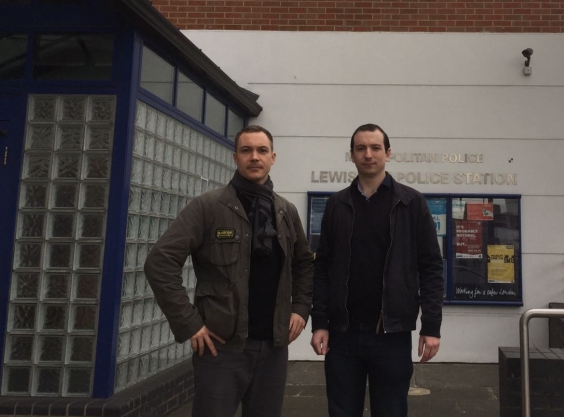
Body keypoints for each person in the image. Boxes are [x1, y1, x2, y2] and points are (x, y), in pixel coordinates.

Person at [145, 126, 313, 417]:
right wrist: (189, 324)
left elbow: (304, 263)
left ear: (273, 157)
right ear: (235, 157)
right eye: (246, 150)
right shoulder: (208, 207)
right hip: (221, 349)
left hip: (273, 348)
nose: (254, 157)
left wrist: (300, 307)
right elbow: (159, 262)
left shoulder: (285, 212)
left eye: (262, 151)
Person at [310, 124, 444, 417]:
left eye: (375, 148)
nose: (368, 154)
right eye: (361, 148)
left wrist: (431, 326)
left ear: (388, 153)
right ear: (352, 155)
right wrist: (319, 321)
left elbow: (431, 268)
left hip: (391, 335)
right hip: (342, 334)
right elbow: (322, 267)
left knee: (391, 411)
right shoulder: (336, 205)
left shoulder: (411, 203)